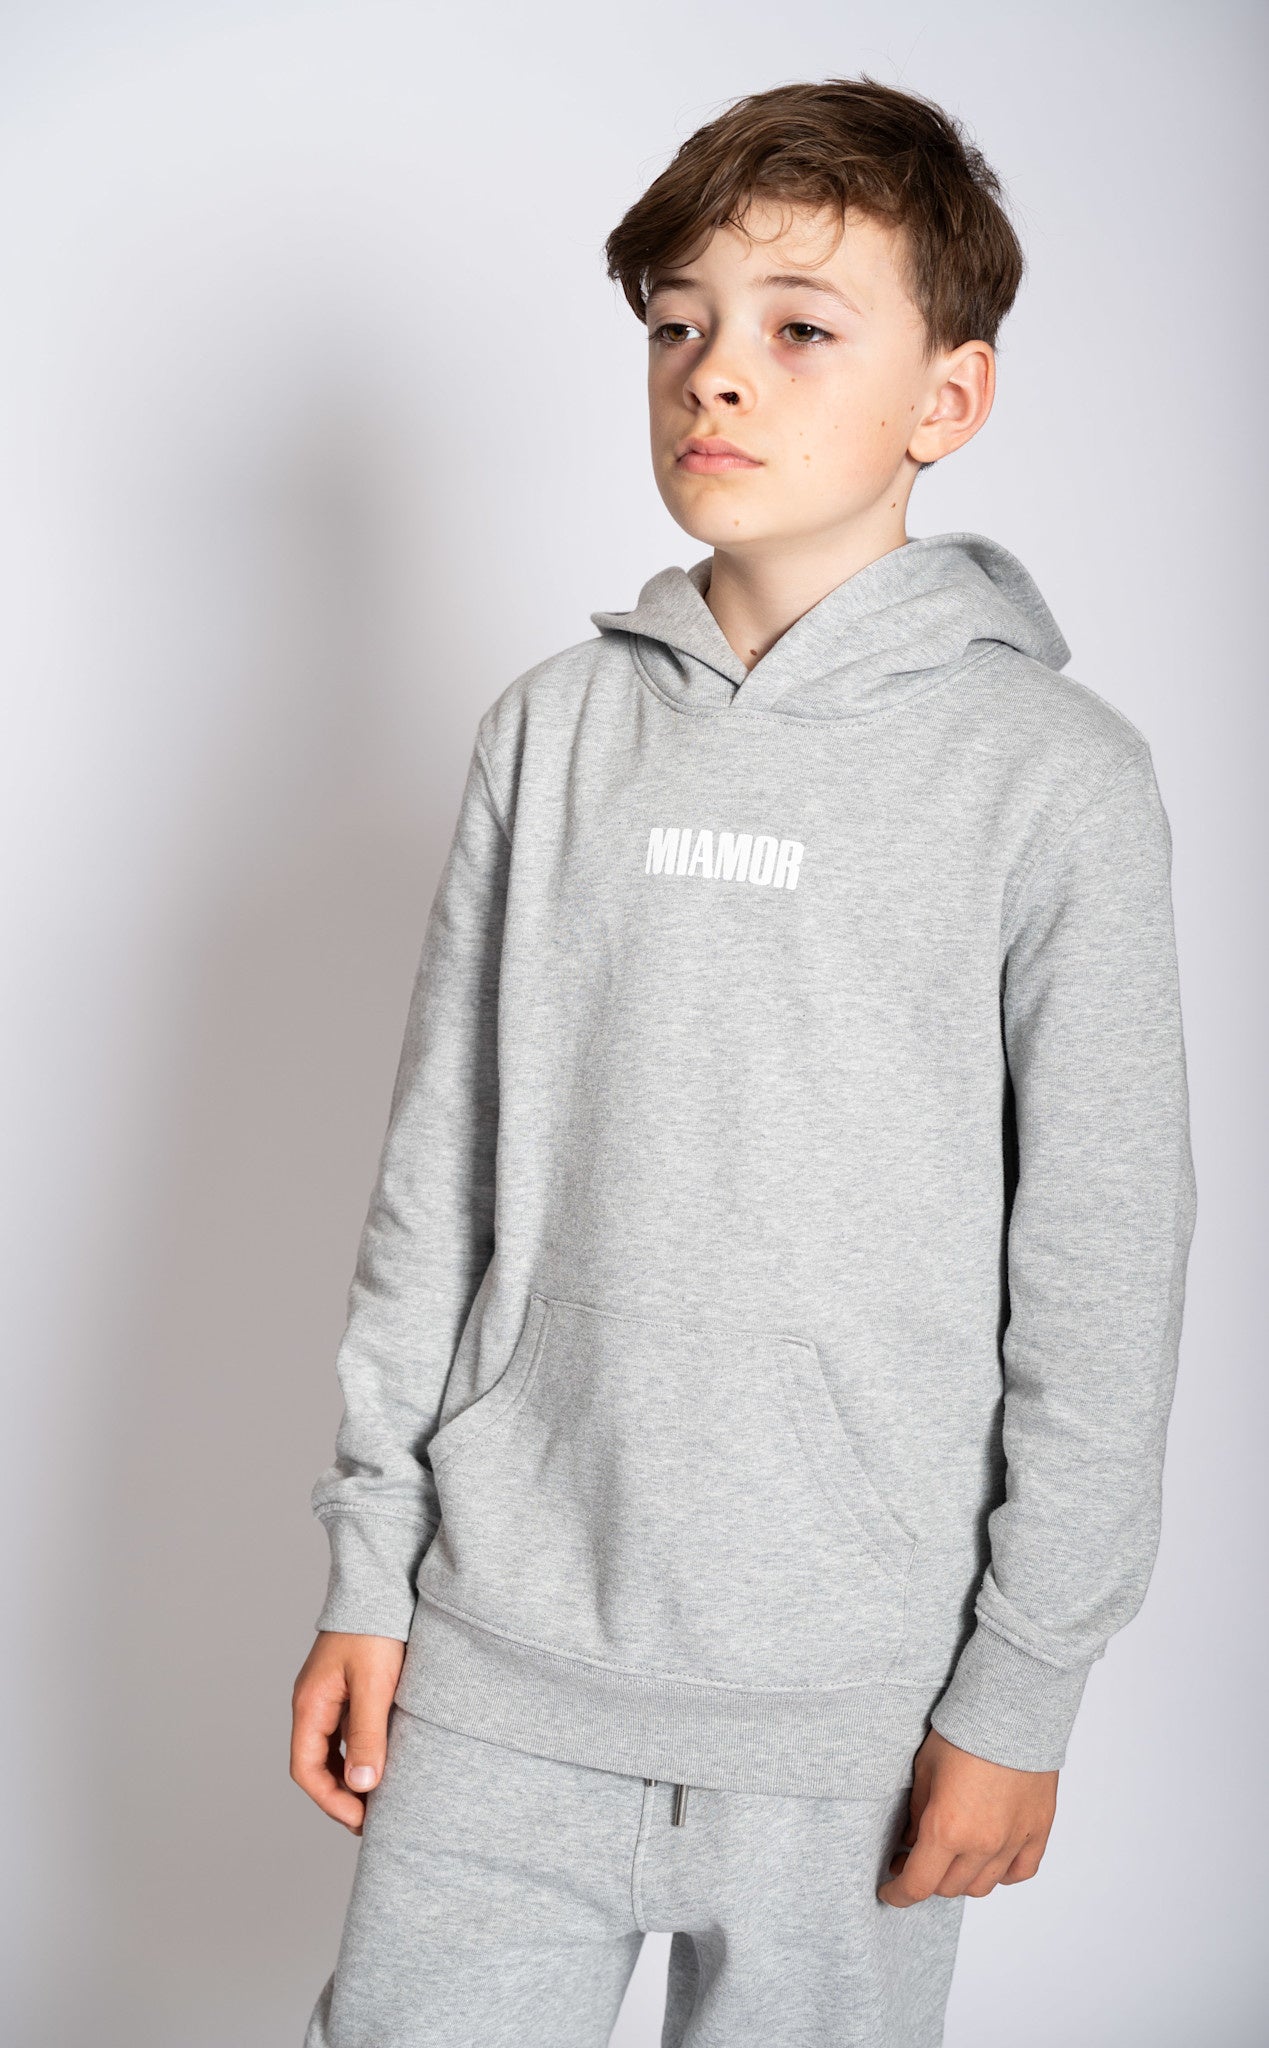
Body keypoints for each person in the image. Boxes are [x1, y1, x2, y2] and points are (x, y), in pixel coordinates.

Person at [291, 75, 1197, 2047]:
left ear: (944, 398)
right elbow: (437, 1180)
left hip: (853, 1710)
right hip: (499, 1667)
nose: (712, 372)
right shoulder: (549, 733)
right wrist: (369, 1569)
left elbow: (1100, 1265)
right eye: (676, 324)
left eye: (798, 328)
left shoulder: (1050, 780)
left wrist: (1019, 1690)